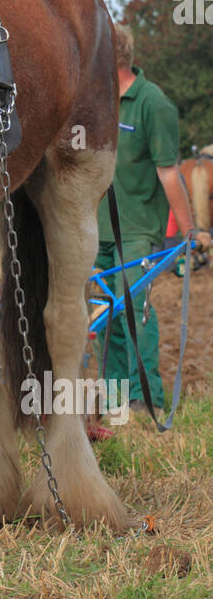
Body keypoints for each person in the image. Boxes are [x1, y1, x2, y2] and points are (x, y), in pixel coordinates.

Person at [95, 24, 211, 416]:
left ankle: (145, 399)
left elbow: (169, 173)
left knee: (133, 312)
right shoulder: (95, 101)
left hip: (138, 229)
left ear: (113, 57)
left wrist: (191, 228)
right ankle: (114, 403)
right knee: (103, 318)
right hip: (96, 230)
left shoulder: (153, 104)